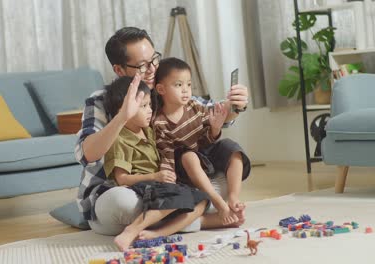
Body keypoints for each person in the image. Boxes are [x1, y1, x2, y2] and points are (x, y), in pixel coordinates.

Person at [75, 27, 250, 235]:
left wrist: (235, 105)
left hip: (167, 186)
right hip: (122, 191)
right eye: (142, 66)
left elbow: (207, 110)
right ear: (119, 70)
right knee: (123, 203)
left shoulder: (162, 88)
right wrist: (122, 116)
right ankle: (199, 219)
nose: (151, 69)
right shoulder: (101, 100)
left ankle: (183, 211)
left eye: (154, 60)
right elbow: (88, 153)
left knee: (219, 178)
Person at [102, 76, 210, 250]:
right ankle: (131, 231)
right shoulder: (119, 139)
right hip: (144, 185)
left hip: (160, 183)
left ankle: (159, 233)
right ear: (124, 110)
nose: (150, 110)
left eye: (150, 105)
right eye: (143, 106)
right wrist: (155, 176)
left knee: (202, 199)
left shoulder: (148, 131)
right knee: (179, 195)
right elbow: (121, 179)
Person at [153, 57, 251, 225]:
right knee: (188, 156)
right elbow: (167, 155)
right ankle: (218, 202)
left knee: (232, 147)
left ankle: (233, 198)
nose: (185, 90)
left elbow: (208, 139)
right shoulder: (159, 122)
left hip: (205, 153)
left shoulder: (195, 106)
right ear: (161, 89)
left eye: (188, 85)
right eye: (178, 85)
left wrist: (215, 129)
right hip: (187, 166)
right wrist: (168, 182)